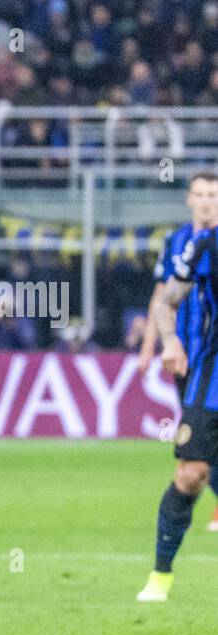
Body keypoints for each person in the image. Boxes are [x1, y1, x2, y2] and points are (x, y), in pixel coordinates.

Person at [139, 171, 218, 601]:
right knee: (191, 474)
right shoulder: (205, 246)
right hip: (211, 373)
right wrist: (168, 341)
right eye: (202, 195)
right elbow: (166, 301)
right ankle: (160, 576)